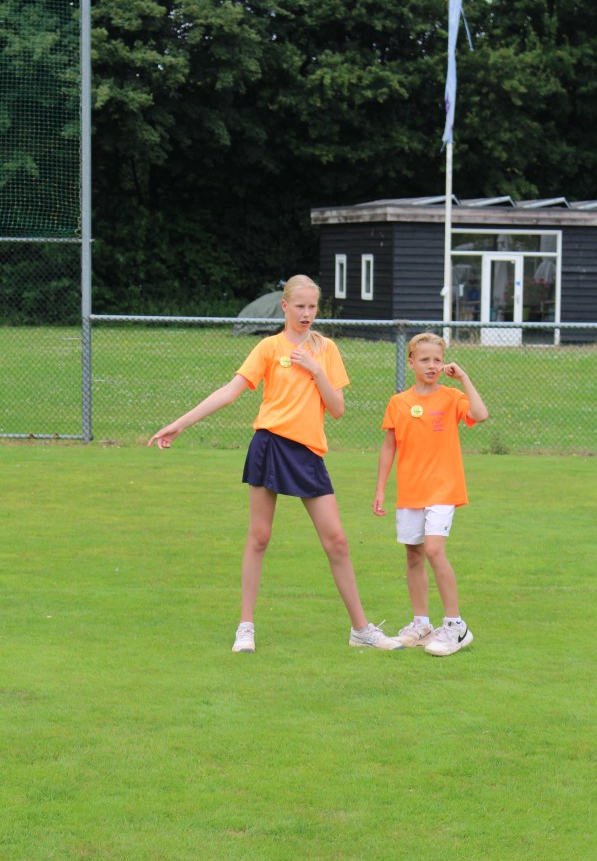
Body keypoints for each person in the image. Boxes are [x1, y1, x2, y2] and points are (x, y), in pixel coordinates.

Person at [149, 274, 402, 654]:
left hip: (307, 453)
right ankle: (245, 628)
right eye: (299, 306)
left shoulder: (327, 349)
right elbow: (230, 392)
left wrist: (316, 369)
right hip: (268, 445)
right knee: (259, 537)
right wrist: (180, 424)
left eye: (312, 306)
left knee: (337, 540)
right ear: (284, 306)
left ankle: (361, 630)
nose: (306, 313)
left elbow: (337, 409)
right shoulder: (268, 348)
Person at [372, 332, 489, 657]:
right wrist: (380, 488)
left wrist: (463, 378)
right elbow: (389, 447)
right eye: (425, 359)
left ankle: (455, 626)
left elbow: (480, 414)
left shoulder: (452, 397)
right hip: (411, 492)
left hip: (443, 489)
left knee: (435, 550)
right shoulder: (399, 402)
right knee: (414, 555)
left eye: (437, 359)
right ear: (411, 362)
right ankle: (421, 624)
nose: (432, 365)